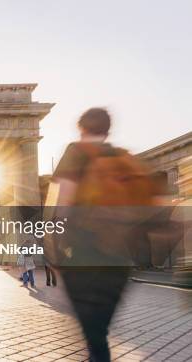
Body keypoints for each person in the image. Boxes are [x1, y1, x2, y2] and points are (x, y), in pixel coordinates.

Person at [50, 107, 154, 362]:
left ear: (81, 128)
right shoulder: (126, 160)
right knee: (100, 333)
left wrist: (54, 248)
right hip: (120, 261)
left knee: (94, 337)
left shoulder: (76, 152)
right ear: (108, 130)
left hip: (84, 256)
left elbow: (62, 206)